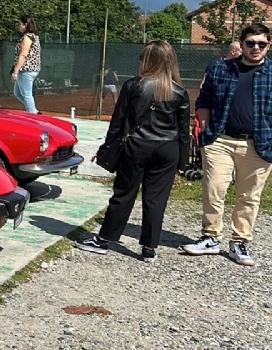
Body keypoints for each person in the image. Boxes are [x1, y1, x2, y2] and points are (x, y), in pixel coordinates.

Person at [181, 24, 272, 267]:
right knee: (213, 188)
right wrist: (205, 134)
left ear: (269, 46)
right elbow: (204, 101)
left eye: (261, 44)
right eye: (251, 43)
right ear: (242, 44)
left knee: (249, 196)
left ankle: (239, 241)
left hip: (260, 144)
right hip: (221, 139)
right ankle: (211, 237)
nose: (256, 48)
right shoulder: (220, 69)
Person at [75, 41, 191, 262]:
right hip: (168, 149)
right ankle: (149, 248)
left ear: (148, 60)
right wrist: (182, 163)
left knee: (123, 194)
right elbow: (184, 131)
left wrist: (106, 149)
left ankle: (104, 240)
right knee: (156, 199)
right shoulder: (180, 92)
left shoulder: (134, 86)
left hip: (136, 146)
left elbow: (117, 123)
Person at [11, 16, 41, 114]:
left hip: (26, 70)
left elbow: (23, 55)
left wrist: (15, 72)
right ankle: (33, 110)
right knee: (18, 93)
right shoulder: (33, 36)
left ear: (26, 25)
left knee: (27, 94)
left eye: (20, 24)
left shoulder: (27, 37)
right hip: (29, 69)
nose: (19, 26)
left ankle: (33, 115)